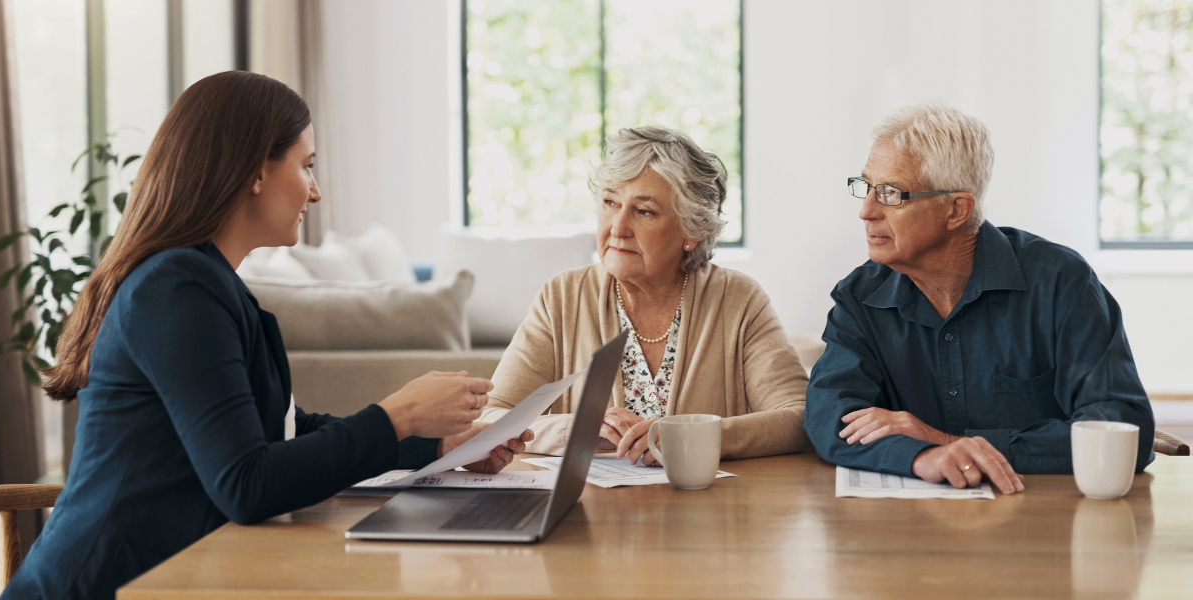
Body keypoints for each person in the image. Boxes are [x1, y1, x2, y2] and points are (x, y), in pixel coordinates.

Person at [3, 72, 530, 600]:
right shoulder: (176, 288)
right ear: (257, 171)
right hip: (101, 587)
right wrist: (397, 416)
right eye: (307, 166)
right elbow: (245, 485)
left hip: (173, 576)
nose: (317, 192)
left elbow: (282, 432)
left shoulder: (205, 282)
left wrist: (435, 444)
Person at [805, 103, 1155, 494]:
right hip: (910, 532)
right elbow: (830, 416)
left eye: (890, 193)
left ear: (956, 209)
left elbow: (1125, 430)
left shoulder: (1060, 282)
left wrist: (948, 443)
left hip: (1046, 527)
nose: (867, 211)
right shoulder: (860, 297)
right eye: (867, 187)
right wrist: (922, 457)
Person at [480, 125, 812, 465]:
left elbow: (798, 418)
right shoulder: (562, 297)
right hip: (592, 511)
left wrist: (691, 436)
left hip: (707, 507)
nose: (618, 228)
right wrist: (575, 429)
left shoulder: (738, 299)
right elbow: (491, 418)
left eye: (644, 211)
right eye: (610, 202)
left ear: (691, 230)